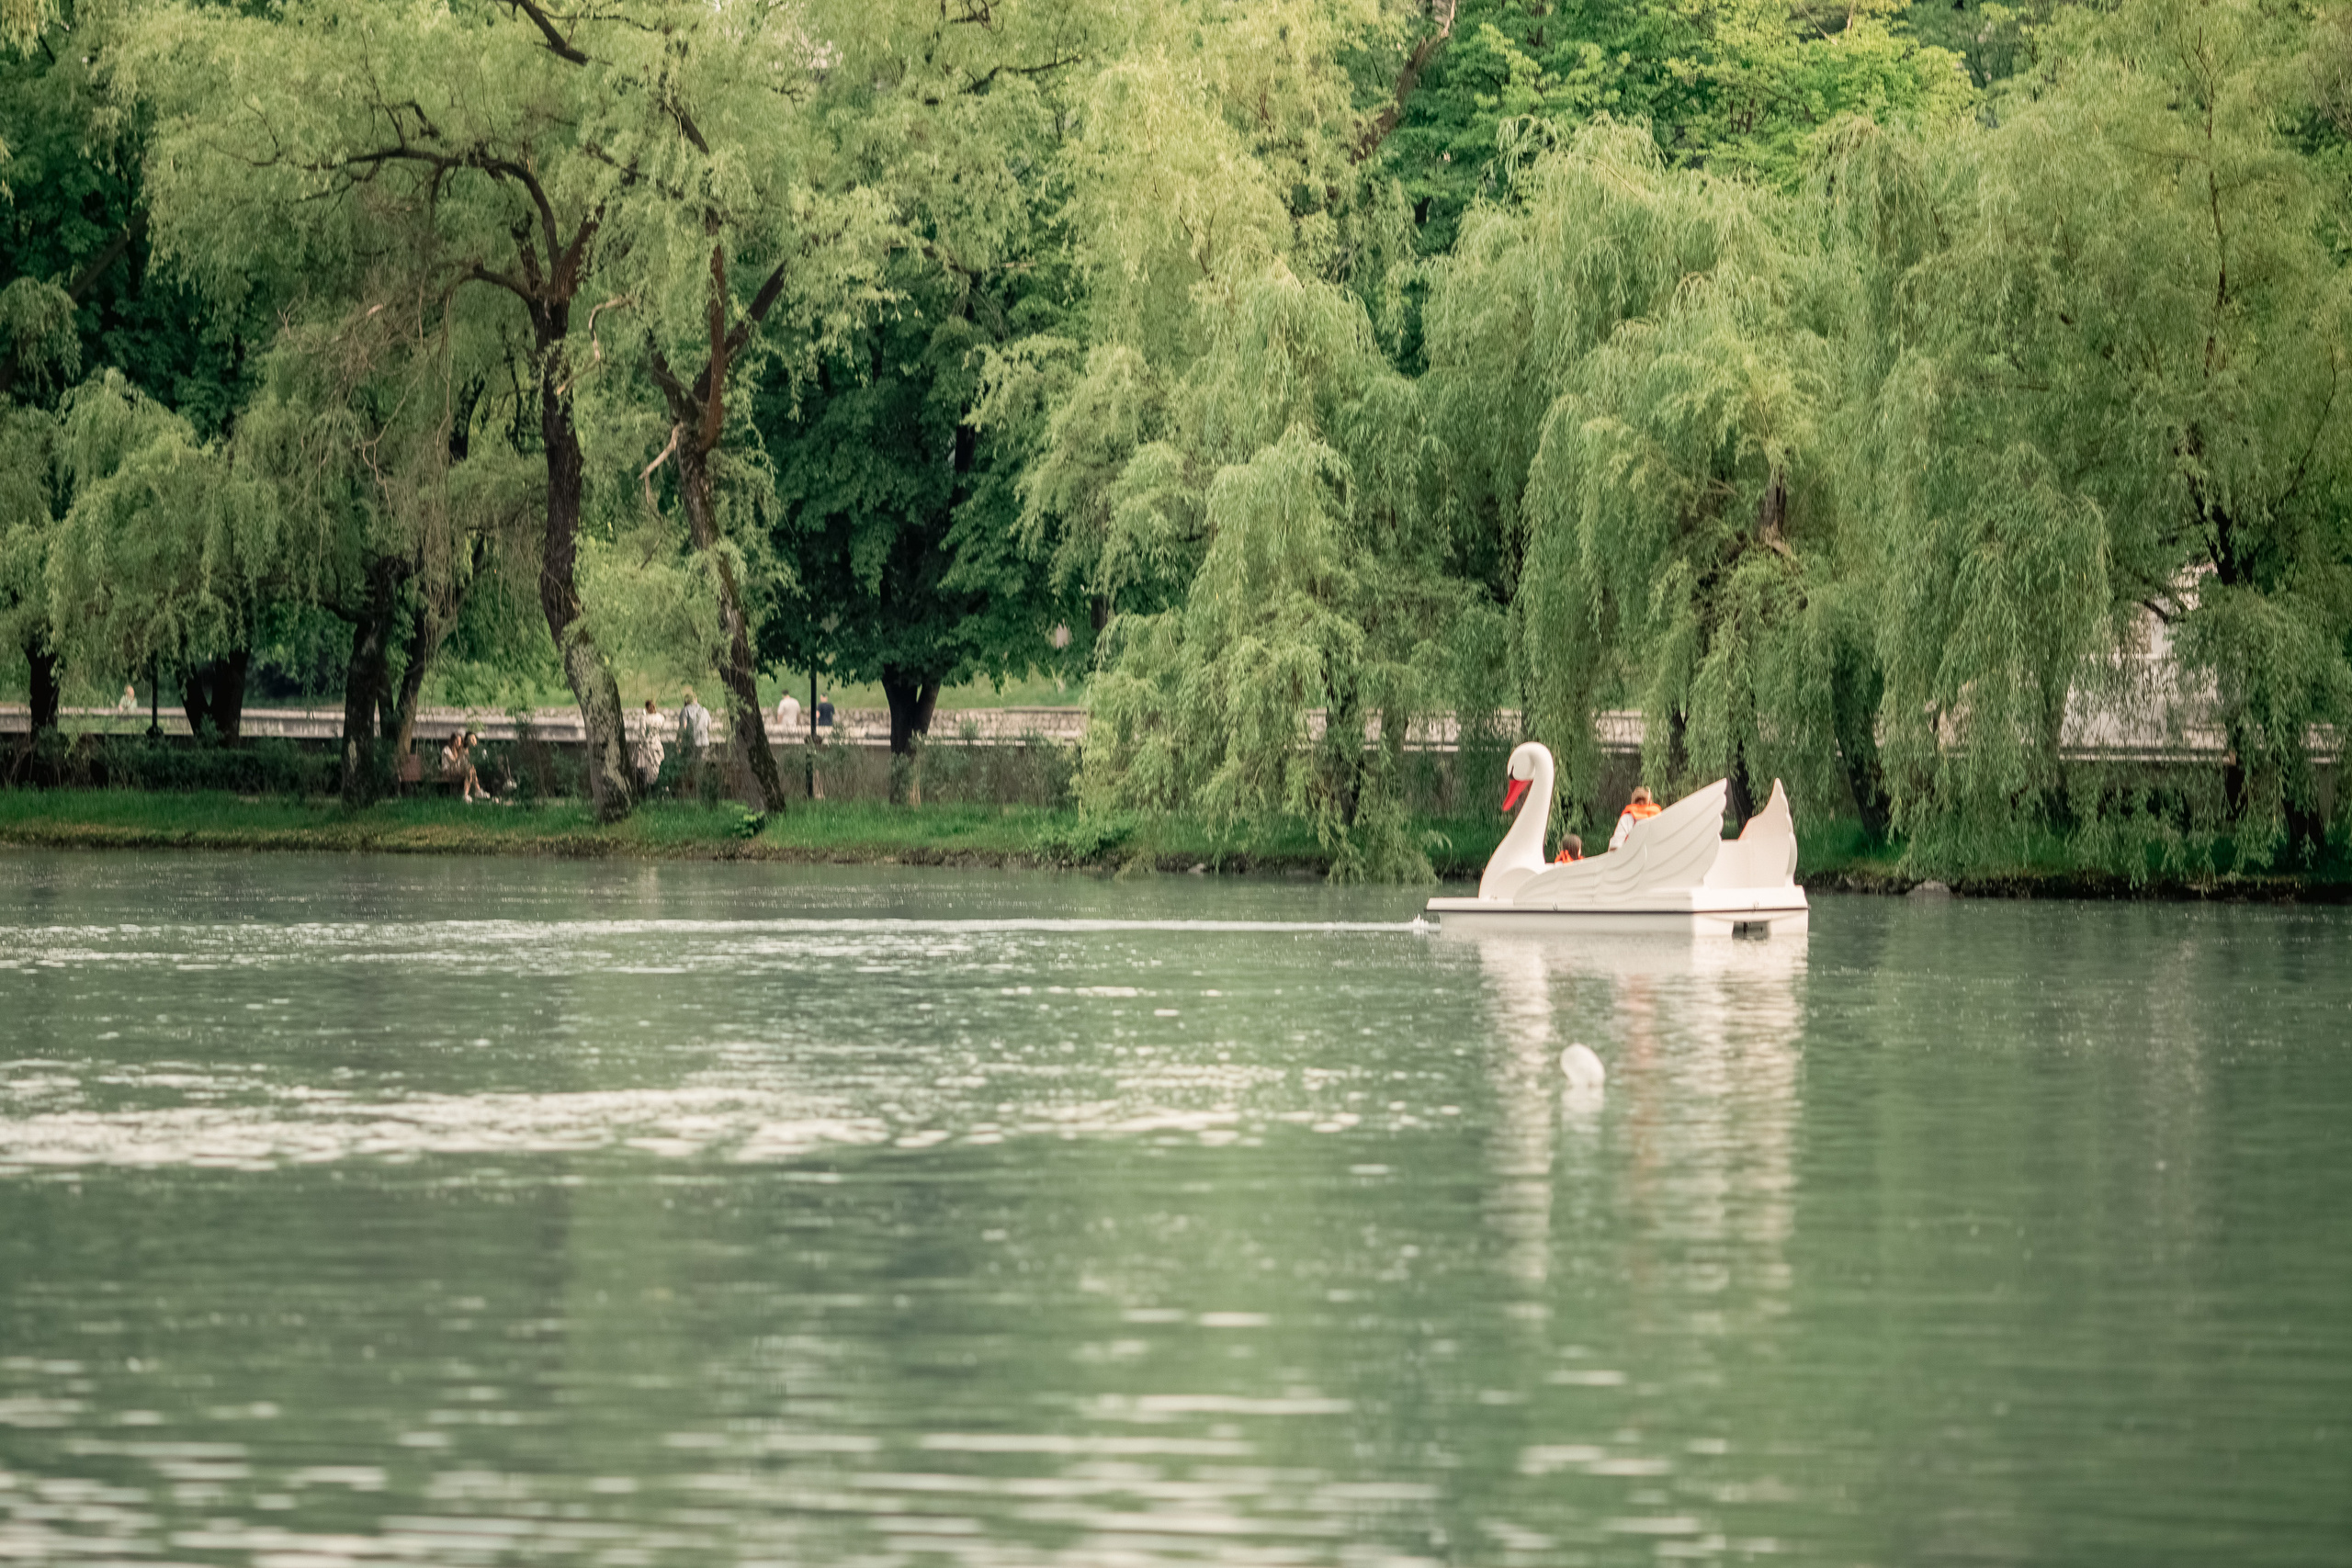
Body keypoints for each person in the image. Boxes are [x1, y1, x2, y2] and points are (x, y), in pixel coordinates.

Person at [1608, 785, 1661, 852]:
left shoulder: (1626, 818)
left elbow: (1615, 845)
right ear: (1650, 802)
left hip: (1631, 853)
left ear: (1633, 802)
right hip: (1654, 852)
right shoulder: (1658, 816)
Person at [632, 699, 667, 792]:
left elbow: (642, 734)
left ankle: (647, 790)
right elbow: (662, 730)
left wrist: (640, 746)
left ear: (646, 708)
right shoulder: (661, 717)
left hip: (648, 745)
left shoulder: (644, 719)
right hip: (657, 744)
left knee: (646, 767)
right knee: (656, 766)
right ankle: (656, 788)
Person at [678, 686, 712, 753]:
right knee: (701, 762)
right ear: (696, 699)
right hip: (704, 742)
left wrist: (679, 741)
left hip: (691, 743)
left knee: (689, 762)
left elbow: (683, 727)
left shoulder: (685, 710)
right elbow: (710, 728)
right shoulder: (704, 710)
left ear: (686, 701)